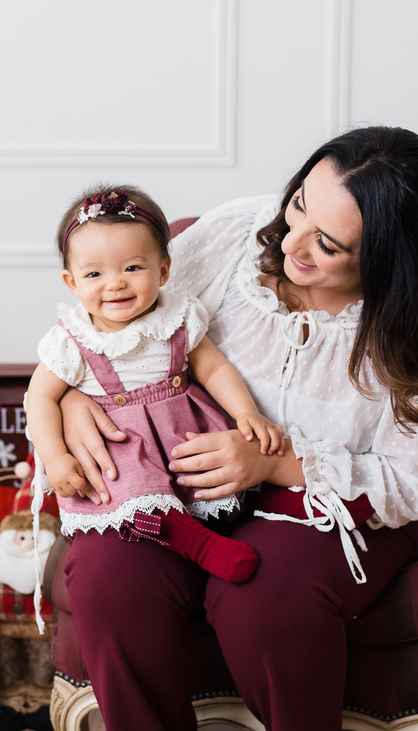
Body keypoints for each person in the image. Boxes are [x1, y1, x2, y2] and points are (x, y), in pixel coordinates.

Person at [55, 127, 418, 731]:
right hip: (182, 488)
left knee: (264, 595)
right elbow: (113, 321)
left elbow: (409, 483)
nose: (292, 243)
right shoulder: (236, 236)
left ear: (388, 255)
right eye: (299, 207)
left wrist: (270, 464)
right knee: (109, 581)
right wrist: (68, 401)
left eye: (329, 244)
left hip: (329, 506)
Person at [26, 185, 283, 585]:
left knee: (212, 483)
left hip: (180, 431)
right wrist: (56, 456)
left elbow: (214, 369)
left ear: (163, 270)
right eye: (94, 274)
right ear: (71, 282)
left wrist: (245, 411)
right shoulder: (72, 339)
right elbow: (40, 397)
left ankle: (210, 529)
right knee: (128, 485)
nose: (115, 284)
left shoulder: (179, 316)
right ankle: (192, 542)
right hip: (121, 444)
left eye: (132, 268)